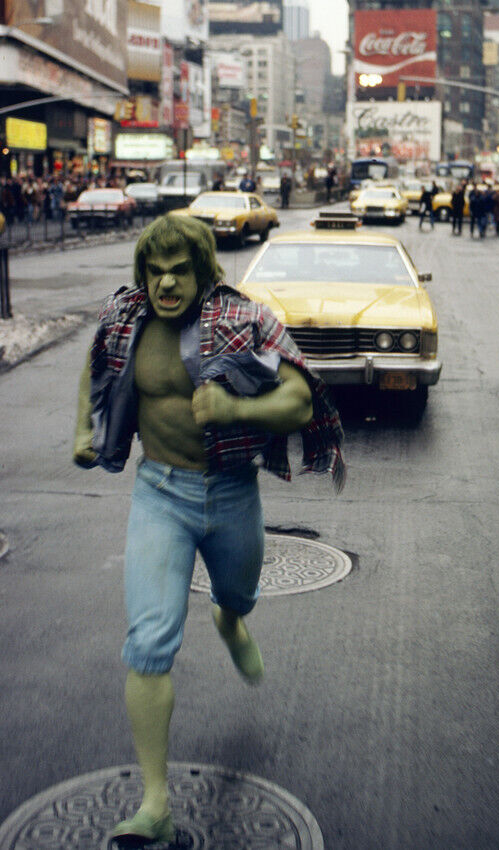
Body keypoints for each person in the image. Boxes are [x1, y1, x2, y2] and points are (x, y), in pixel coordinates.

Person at [72, 213, 345, 845]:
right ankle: (155, 804)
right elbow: (94, 366)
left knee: (238, 592)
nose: (166, 285)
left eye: (180, 271)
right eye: (155, 271)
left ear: (201, 271)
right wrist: (83, 431)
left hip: (229, 493)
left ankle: (231, 617)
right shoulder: (124, 319)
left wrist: (236, 407)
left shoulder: (242, 321)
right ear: (143, 274)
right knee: (148, 642)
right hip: (159, 493)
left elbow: (301, 399)